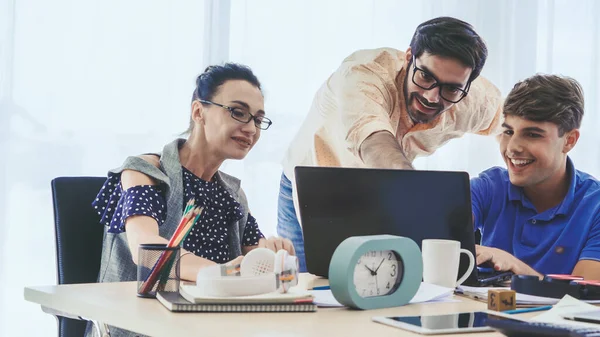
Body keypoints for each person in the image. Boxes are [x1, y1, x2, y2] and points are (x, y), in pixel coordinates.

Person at [278, 17, 503, 271]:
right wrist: (421, 209)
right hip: (311, 185)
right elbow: (376, 144)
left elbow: (515, 128)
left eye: (451, 89)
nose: (432, 96)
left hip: (378, 194)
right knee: (310, 284)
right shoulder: (362, 74)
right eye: (426, 77)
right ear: (409, 57)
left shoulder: (475, 101)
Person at [86, 64, 294, 337]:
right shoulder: (145, 172)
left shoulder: (233, 195)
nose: (251, 129)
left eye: (257, 119)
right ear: (199, 112)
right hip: (145, 327)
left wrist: (274, 254)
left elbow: (255, 258)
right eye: (238, 113)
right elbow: (146, 250)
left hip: (212, 327)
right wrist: (223, 274)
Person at [472, 74, 600, 280]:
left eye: (532, 134)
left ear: (569, 140)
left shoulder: (595, 206)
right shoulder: (489, 187)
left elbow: (586, 300)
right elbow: (433, 235)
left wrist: (515, 267)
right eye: (508, 132)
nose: (513, 147)